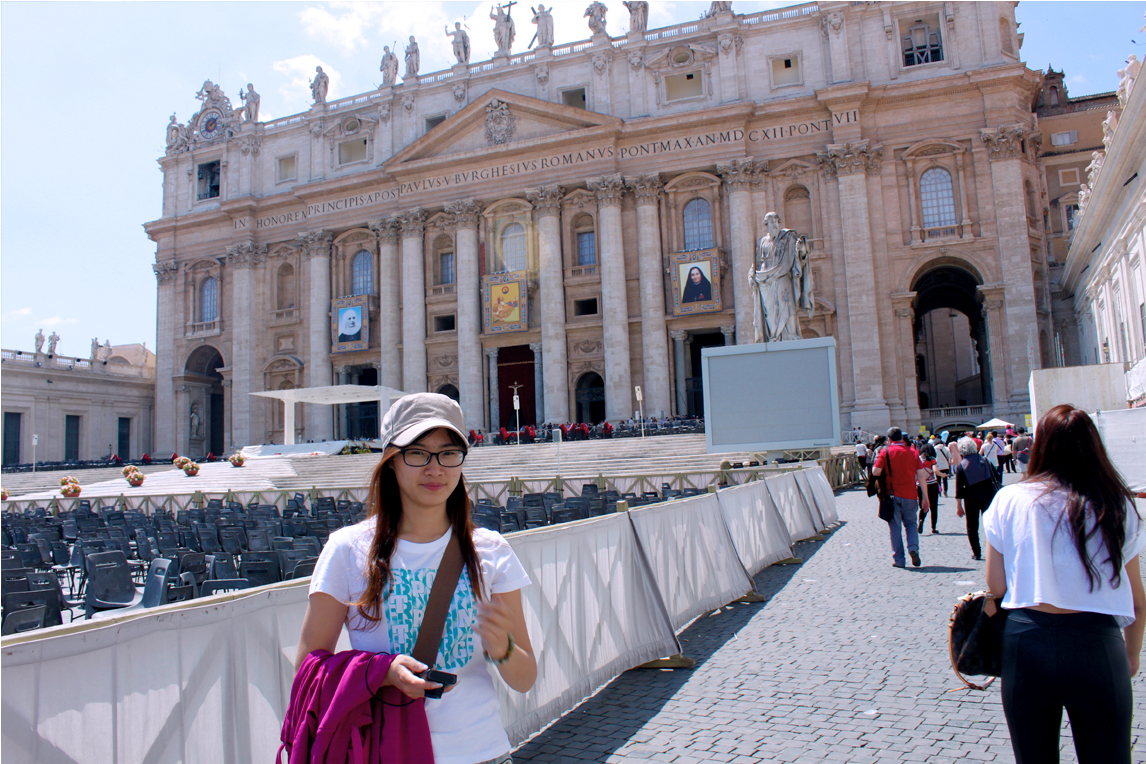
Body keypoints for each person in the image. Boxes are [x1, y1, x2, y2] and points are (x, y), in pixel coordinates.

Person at [296, 393, 537, 764]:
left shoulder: (491, 550)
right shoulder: (346, 549)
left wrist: (502, 649)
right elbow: (308, 669)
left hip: (482, 752)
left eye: (448, 453)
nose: (435, 468)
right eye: (418, 452)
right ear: (391, 461)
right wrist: (382, 671)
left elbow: (524, 679)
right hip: (385, 751)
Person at [985, 405, 1145, 764]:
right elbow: (1137, 600)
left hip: (1027, 640)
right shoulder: (1117, 503)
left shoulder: (1009, 499)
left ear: (1039, 446)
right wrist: (1131, 655)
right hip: (1097, 644)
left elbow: (996, 585)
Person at [872, 427, 931, 568]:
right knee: (911, 524)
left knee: (895, 528)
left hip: (892, 495)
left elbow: (875, 471)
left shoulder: (885, 452)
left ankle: (899, 560)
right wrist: (925, 498)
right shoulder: (913, 452)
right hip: (911, 495)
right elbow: (921, 476)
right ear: (902, 438)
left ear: (890, 439)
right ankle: (913, 548)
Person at [952, 436, 997, 561]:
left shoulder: (961, 466)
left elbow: (959, 489)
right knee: (990, 524)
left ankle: (977, 552)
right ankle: (995, 550)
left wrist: (959, 506)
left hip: (970, 497)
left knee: (972, 526)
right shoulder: (985, 461)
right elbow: (997, 477)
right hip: (988, 495)